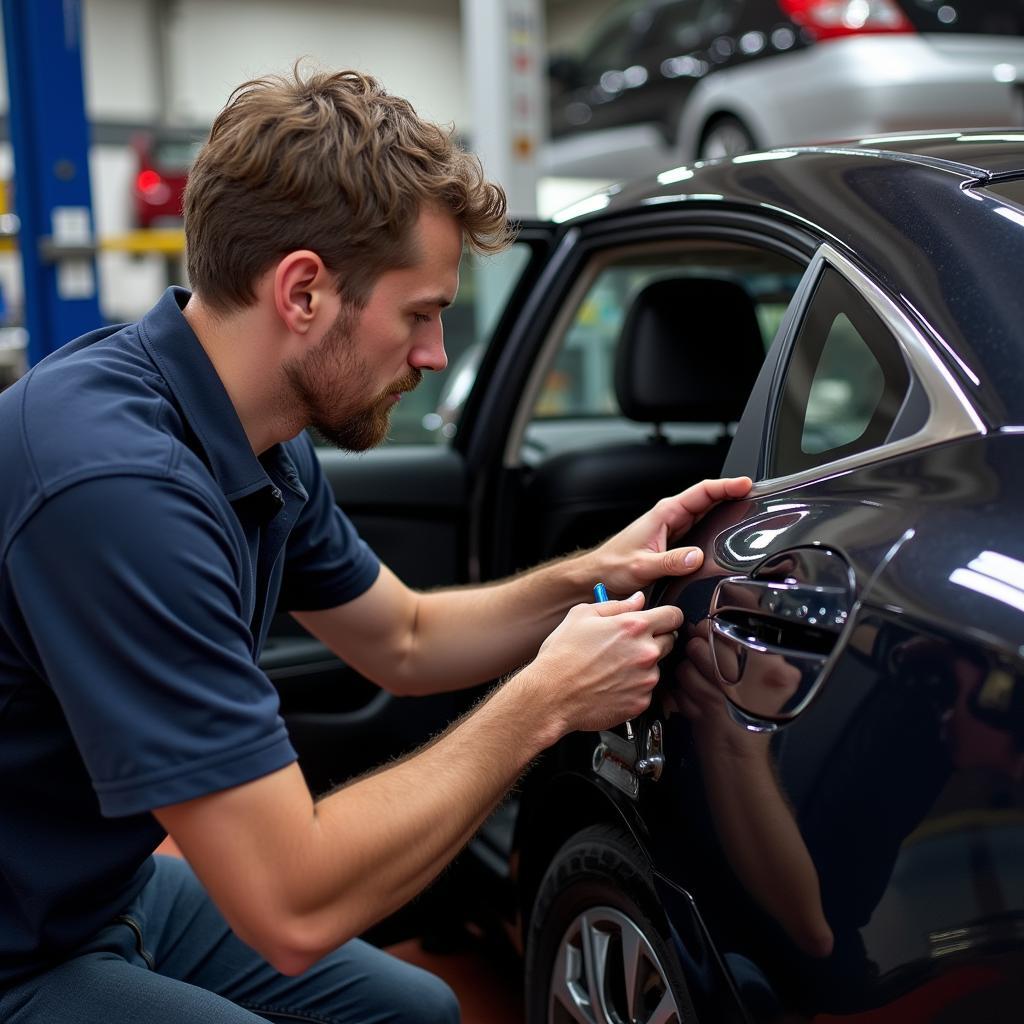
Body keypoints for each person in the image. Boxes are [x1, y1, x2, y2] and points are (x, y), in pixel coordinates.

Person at [0, 66, 751, 1024]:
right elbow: (291, 904)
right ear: (304, 291)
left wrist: (589, 575)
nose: (435, 355)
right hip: (19, 948)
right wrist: (546, 700)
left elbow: (402, 639)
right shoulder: (116, 489)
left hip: (94, 891)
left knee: (420, 1013)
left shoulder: (255, 435)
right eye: (422, 313)